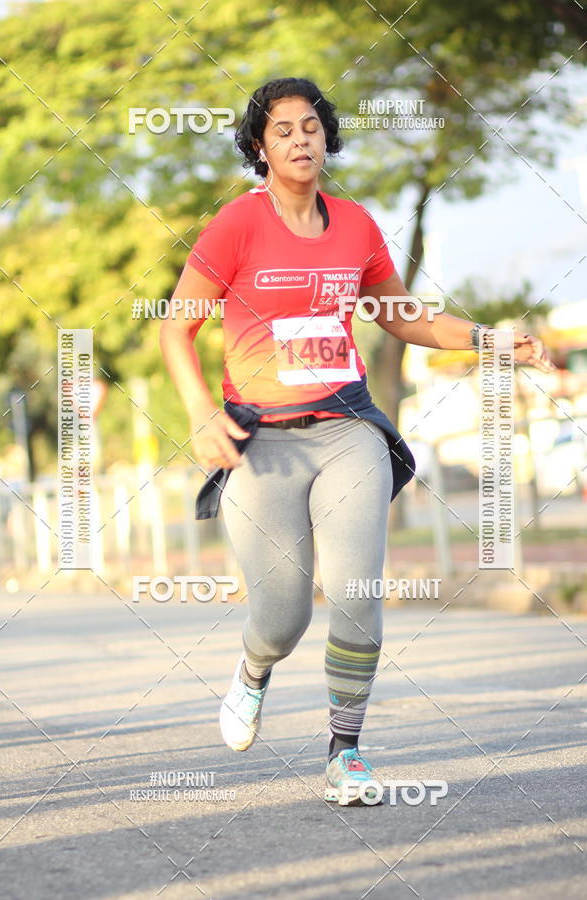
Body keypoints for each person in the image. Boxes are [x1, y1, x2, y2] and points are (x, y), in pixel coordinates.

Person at [159, 77, 555, 806]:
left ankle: (346, 753)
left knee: (356, 594)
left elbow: (401, 316)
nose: (300, 139)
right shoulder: (236, 226)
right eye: (282, 130)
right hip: (262, 441)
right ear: (259, 147)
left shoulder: (355, 225)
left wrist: (490, 340)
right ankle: (253, 670)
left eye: (311, 126)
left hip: (349, 429)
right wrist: (198, 413)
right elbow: (175, 326)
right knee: (282, 617)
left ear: (327, 137)